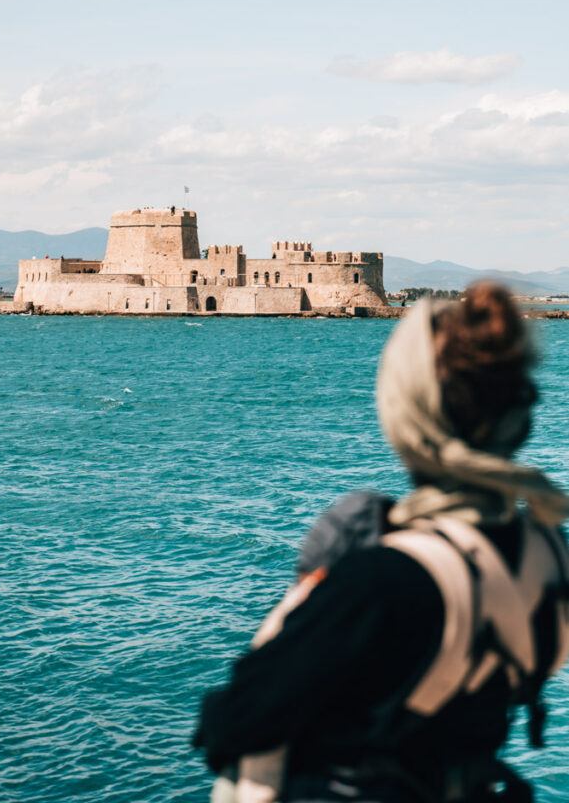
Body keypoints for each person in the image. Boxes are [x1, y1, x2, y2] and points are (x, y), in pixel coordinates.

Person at [194, 283, 569, 803]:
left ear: (409, 414)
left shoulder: (382, 581)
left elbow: (232, 726)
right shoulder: (548, 556)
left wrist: (308, 594)